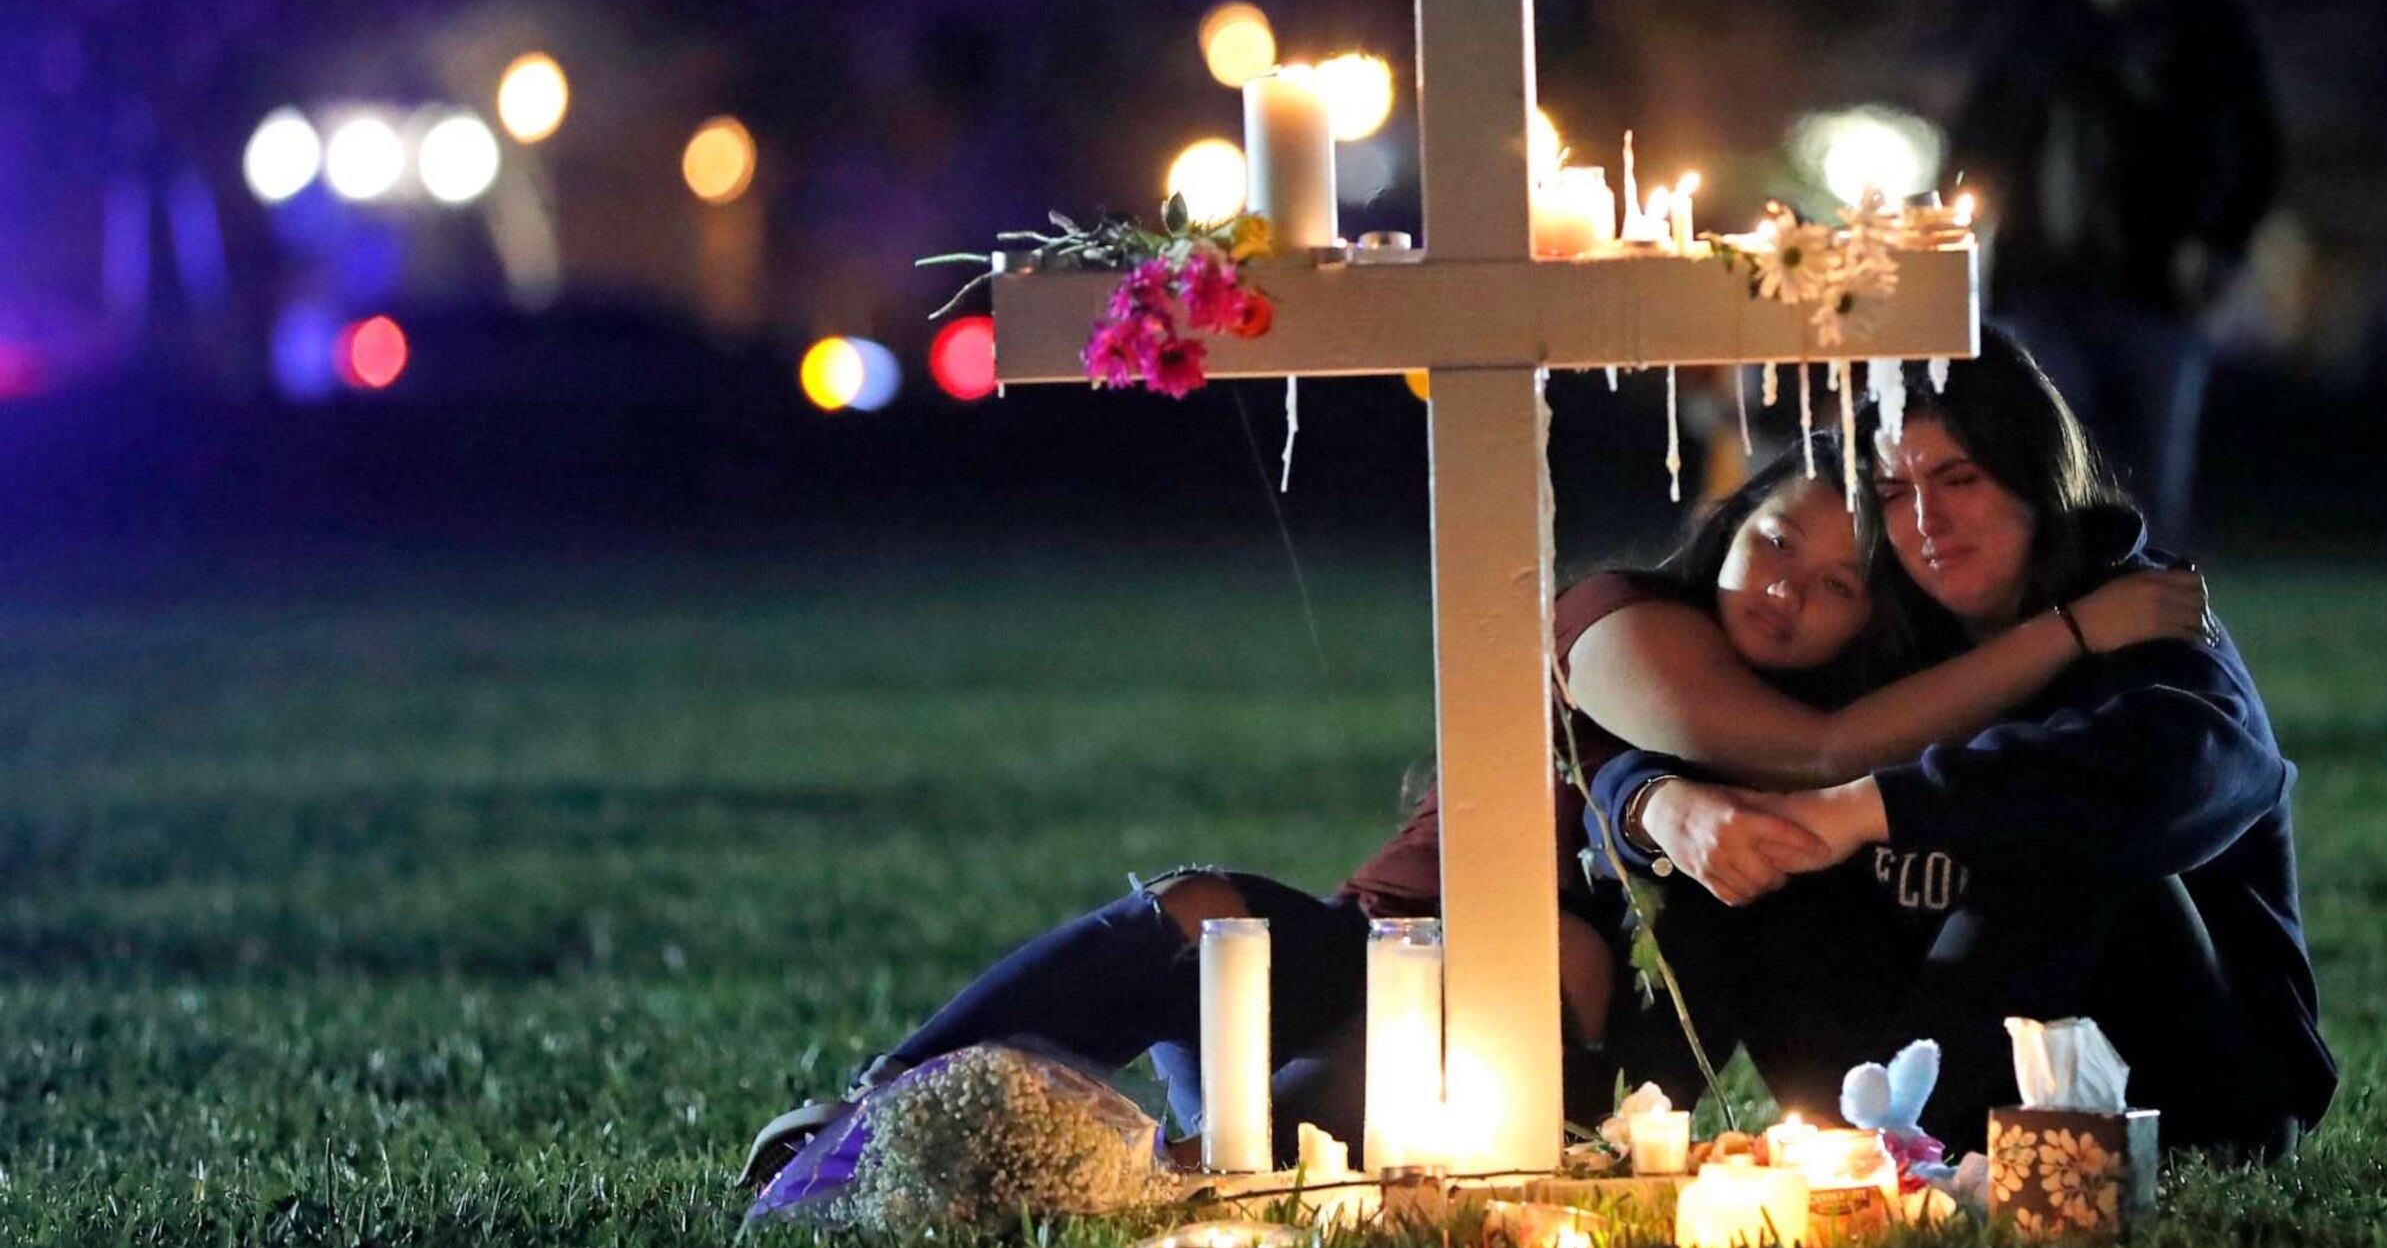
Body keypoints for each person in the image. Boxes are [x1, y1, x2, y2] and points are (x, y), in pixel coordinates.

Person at [736, 431, 2207, 1186]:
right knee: (1202, 912)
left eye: (1837, 588)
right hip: (1350, 967)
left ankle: (1087, 1173)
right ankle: (857, 1116)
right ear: (1724, 529)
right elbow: (1799, 744)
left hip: (1518, 1072)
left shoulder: (1829, 756)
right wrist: (2069, 636)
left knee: (1248, 1181)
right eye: (1773, 543)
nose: (1789, 591)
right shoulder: (1624, 620)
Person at [1588, 342, 2336, 1160]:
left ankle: (1904, 1154)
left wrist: (1866, 807)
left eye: (1959, 479)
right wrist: (1655, 801)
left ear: (2032, 472)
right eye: (1896, 491)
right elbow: (1726, 737)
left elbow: (2187, 767)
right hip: (1920, 1061)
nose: (1926, 523)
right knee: (1727, 836)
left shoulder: (2138, 606)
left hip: (2181, 1086)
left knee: (2062, 841)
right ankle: (1613, 1138)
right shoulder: (1888, 620)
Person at [1948, 0, 2281, 551]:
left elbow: (2257, 149)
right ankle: (2053, 648)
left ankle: (2153, 652)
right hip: (2039, 293)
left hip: (2156, 300)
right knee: (2044, 478)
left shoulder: (2206, 23)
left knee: (2151, 496)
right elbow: (1976, 133)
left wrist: (2218, 245)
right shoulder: (2039, 16)